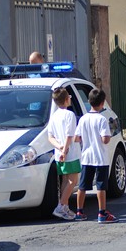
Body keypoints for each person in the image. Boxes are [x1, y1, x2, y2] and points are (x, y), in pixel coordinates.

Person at [74, 88, 118, 223]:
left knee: (82, 186)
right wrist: (110, 131)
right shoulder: (102, 120)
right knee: (101, 186)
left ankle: (79, 212)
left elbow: (77, 138)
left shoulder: (83, 119)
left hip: (86, 157)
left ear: (89, 102)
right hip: (100, 157)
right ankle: (102, 213)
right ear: (103, 103)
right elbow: (105, 139)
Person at [48, 87, 81, 220]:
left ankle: (65, 207)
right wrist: (65, 150)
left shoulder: (54, 116)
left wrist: (59, 148)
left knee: (65, 180)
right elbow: (69, 135)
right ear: (67, 99)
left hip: (58, 153)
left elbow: (50, 137)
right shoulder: (70, 115)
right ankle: (61, 206)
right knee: (73, 180)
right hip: (70, 153)